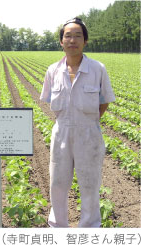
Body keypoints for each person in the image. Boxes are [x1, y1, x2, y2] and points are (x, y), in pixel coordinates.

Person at [40, 17, 115, 227]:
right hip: (61, 132)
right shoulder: (53, 71)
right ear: (61, 42)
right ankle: (58, 227)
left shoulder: (98, 69)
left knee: (90, 184)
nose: (72, 40)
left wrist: (87, 121)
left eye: (78, 36)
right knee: (57, 183)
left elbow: (104, 101)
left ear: (85, 41)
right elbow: (48, 100)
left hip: (89, 133)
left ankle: (89, 229)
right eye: (68, 36)